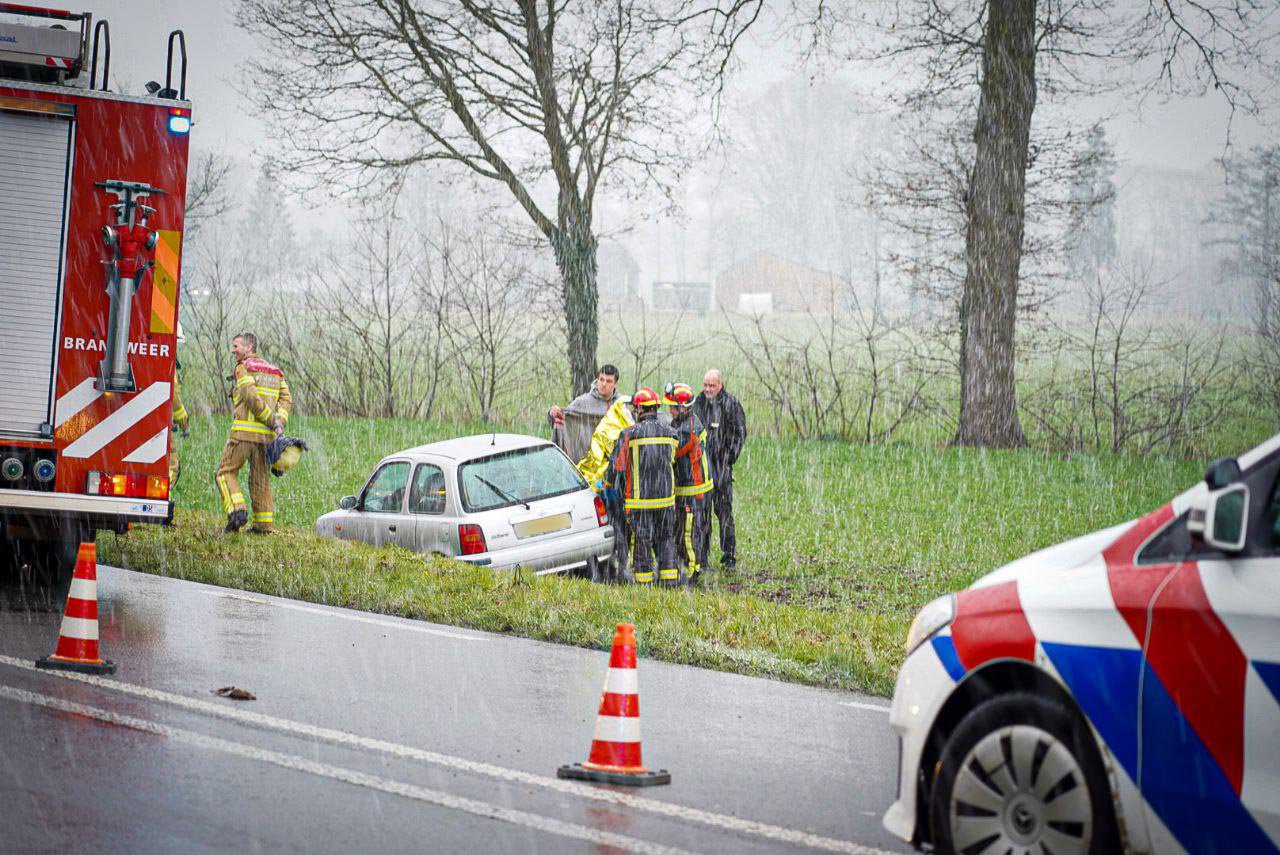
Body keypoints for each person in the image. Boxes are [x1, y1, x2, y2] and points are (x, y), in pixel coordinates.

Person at [215, 332, 292, 534]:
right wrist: (279, 421)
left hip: (243, 435)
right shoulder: (276, 371)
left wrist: (270, 419)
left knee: (225, 472)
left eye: (236, 346)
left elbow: (250, 396)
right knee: (260, 479)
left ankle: (236, 511)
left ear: (249, 347)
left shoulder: (243, 368)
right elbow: (286, 399)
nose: (233, 350)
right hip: (265, 438)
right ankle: (263, 525)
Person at [604, 387, 679, 585]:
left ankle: (644, 583)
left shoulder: (629, 434)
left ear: (638, 409)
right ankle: (669, 580)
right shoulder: (671, 433)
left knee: (642, 541)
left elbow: (617, 468)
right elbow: (676, 466)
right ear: (655, 408)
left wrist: (609, 485)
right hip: (666, 501)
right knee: (665, 539)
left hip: (639, 502)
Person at [576, 394, 635, 582]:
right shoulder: (615, 424)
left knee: (619, 527)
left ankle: (615, 565)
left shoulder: (624, 422)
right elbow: (606, 457)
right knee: (616, 527)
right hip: (610, 487)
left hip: (616, 486)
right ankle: (613, 566)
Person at [692, 368, 746, 570]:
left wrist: (728, 457)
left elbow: (739, 434)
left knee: (724, 513)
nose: (708, 389)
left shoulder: (731, 404)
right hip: (702, 468)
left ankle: (729, 555)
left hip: (721, 468)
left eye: (712, 385)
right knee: (702, 514)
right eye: (705, 385)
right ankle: (702, 556)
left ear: (720, 385)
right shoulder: (698, 403)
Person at [666, 382, 713, 584]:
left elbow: (671, 453)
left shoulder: (686, 430)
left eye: (673, 407)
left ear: (684, 407)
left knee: (689, 531)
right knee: (691, 529)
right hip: (690, 487)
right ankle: (694, 564)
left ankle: (693, 572)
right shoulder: (684, 423)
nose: (669, 410)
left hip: (694, 489)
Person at [549, 365, 620, 463]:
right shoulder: (583, 402)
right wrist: (553, 414)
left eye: (608, 381)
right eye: (601, 379)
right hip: (588, 462)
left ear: (615, 383)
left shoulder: (622, 404)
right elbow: (562, 417)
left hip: (614, 463)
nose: (604, 384)